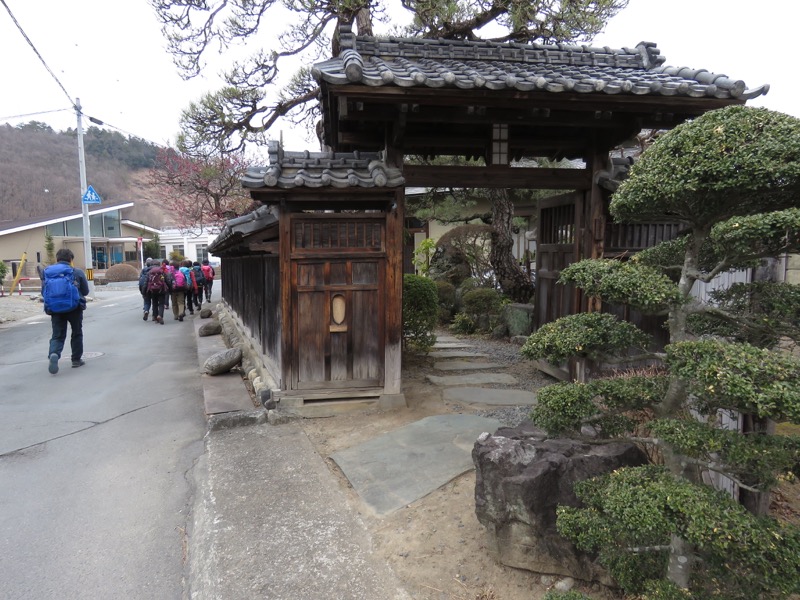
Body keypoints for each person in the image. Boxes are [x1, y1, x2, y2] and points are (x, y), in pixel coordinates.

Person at [42, 248, 90, 374]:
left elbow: (44, 291)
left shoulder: (48, 272)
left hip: (55, 308)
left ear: (57, 259)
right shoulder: (76, 272)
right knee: (76, 332)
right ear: (71, 259)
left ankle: (54, 354)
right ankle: (76, 360)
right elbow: (85, 291)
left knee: (57, 335)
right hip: (74, 307)